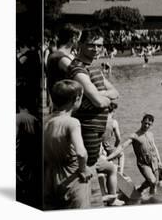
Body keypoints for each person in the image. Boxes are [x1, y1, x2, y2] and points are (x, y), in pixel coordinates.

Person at [68, 29, 119, 168]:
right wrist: (99, 97)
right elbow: (98, 101)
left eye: (99, 45)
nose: (96, 49)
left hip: (97, 127)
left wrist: (97, 93)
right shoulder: (77, 68)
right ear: (81, 44)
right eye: (92, 45)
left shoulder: (93, 68)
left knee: (94, 165)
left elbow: (116, 93)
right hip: (87, 126)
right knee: (85, 167)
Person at [44, 80, 93, 209]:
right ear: (76, 99)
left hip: (49, 177)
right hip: (71, 178)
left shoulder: (45, 121)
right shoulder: (72, 122)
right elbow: (81, 153)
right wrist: (83, 170)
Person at [117, 114, 162, 195]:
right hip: (143, 164)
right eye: (145, 123)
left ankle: (141, 190)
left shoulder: (151, 134)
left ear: (151, 125)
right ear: (141, 122)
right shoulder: (135, 136)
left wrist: (159, 161)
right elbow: (123, 146)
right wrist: (111, 156)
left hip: (154, 161)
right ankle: (151, 200)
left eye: (149, 124)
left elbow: (155, 147)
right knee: (152, 182)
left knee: (154, 183)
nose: (146, 125)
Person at [46, 24, 82, 97]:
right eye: (80, 39)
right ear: (74, 38)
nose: (80, 42)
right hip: (63, 103)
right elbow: (81, 80)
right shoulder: (61, 58)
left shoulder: (56, 55)